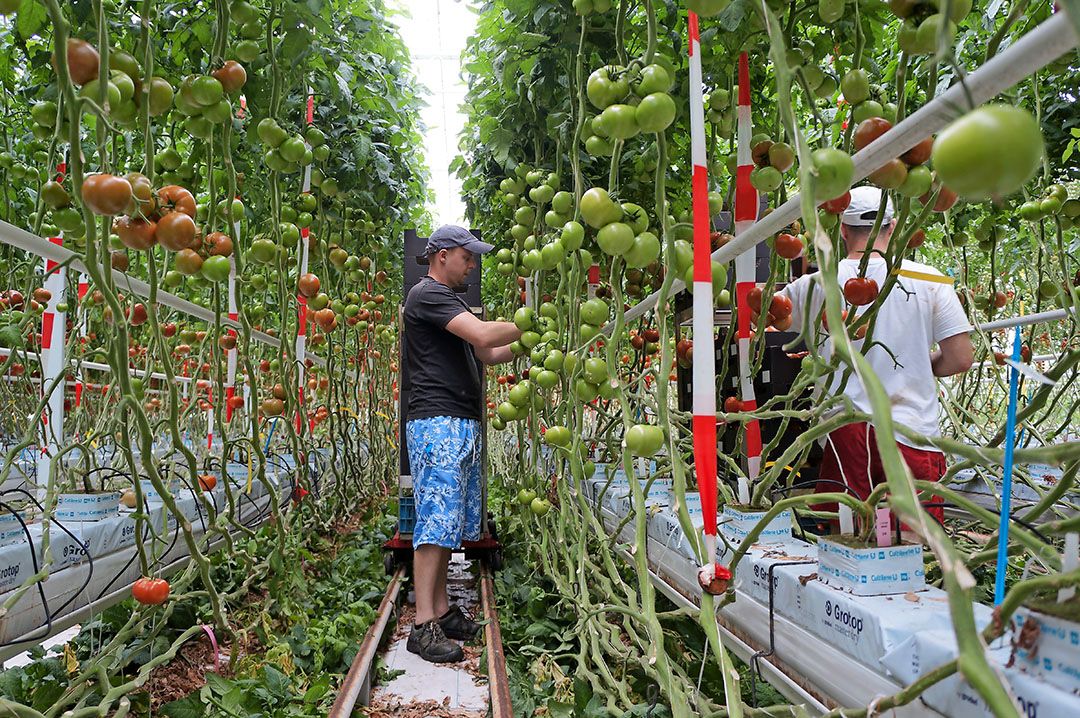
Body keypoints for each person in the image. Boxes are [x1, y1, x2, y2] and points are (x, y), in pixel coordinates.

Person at [779, 186, 974, 530]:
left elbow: (762, 314)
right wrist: (919, 364)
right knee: (915, 540)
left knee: (848, 537)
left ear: (842, 229)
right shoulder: (931, 280)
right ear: (894, 226)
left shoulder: (815, 284)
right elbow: (960, 358)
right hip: (912, 430)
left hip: (846, 429)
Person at [402, 224, 521, 663]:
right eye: (468, 257)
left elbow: (488, 354)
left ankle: (442, 611)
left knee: (447, 521)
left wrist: (534, 343)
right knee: (435, 523)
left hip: (457, 420)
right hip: (438, 422)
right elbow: (486, 336)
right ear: (443, 255)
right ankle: (421, 627)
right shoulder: (427, 294)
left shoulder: (450, 302)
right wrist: (529, 321)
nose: (472, 264)